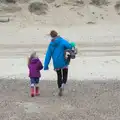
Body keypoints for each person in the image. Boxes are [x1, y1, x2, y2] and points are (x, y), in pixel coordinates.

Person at [44, 30, 72, 96]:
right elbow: (69, 46)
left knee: (59, 75)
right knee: (65, 74)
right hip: (64, 61)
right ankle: (63, 84)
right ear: (57, 34)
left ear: (51, 36)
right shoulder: (62, 41)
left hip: (56, 63)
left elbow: (48, 55)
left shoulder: (51, 44)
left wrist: (46, 65)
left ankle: (60, 88)